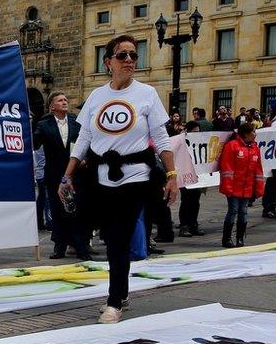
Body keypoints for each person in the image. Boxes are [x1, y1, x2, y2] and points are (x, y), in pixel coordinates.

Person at [59, 35, 176, 323]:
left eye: (134, 56)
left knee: (119, 237)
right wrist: (67, 176)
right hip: (99, 179)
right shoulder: (97, 97)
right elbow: (84, 137)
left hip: (135, 177)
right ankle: (121, 291)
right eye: (122, 55)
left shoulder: (146, 94)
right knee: (109, 236)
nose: (129, 61)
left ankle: (114, 301)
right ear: (108, 61)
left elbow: (161, 139)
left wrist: (172, 175)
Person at [34, 92, 90, 260]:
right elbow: (35, 144)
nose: (65, 102)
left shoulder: (76, 122)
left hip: (76, 174)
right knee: (58, 210)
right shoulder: (44, 125)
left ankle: (81, 246)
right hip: (54, 175)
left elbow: (87, 143)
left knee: (77, 210)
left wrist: (85, 160)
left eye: (66, 99)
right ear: (52, 106)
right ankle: (60, 246)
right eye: (60, 100)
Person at [219, 123, 265, 248]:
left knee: (243, 212)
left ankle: (240, 238)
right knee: (233, 211)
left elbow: (258, 170)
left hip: (247, 187)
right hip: (234, 187)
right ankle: (227, 238)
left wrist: (259, 188)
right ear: (246, 133)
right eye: (253, 131)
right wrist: (228, 187)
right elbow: (226, 167)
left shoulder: (255, 147)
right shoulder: (232, 146)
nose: (255, 134)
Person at [178, 120, 206, 237]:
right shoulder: (181, 142)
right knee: (186, 200)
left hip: (197, 175)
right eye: (194, 132)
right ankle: (184, 226)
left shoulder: (201, 142)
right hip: (185, 175)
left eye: (198, 132)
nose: (197, 134)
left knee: (195, 201)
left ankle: (193, 224)